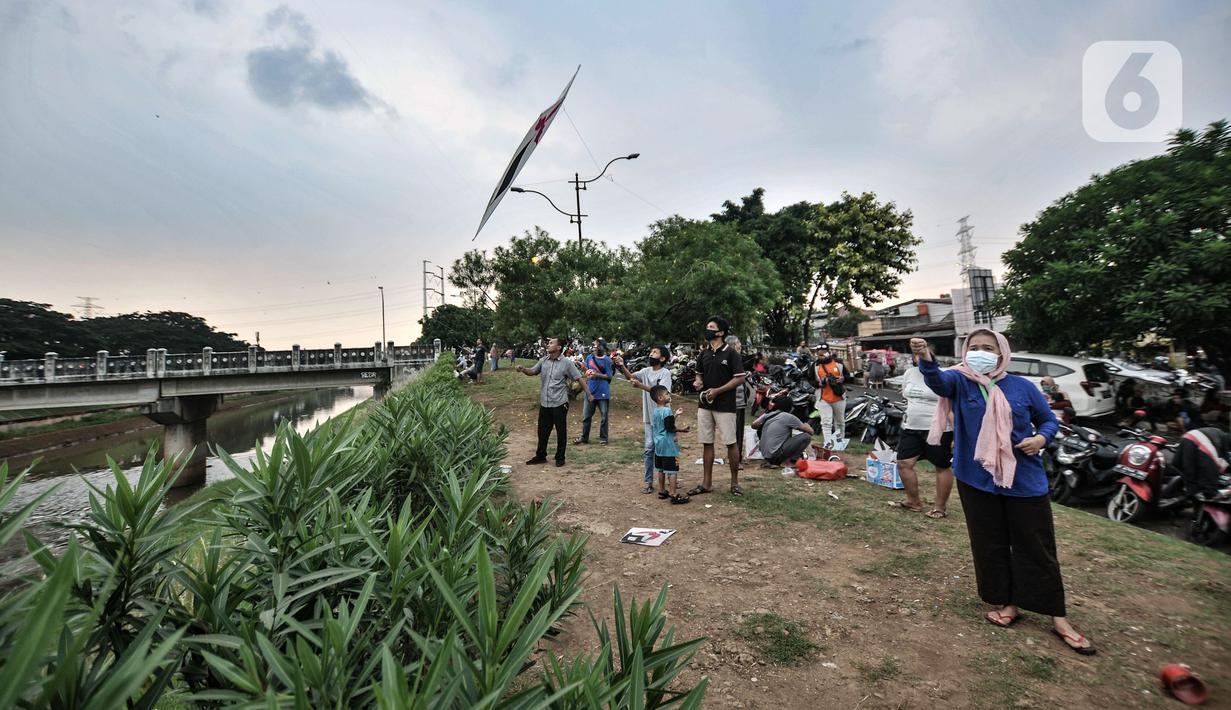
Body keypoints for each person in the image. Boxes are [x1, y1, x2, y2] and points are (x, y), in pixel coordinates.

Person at [911, 331, 1095, 656]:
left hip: (1023, 481)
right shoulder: (960, 382)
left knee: (1037, 548)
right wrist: (925, 356)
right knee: (991, 545)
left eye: (988, 349)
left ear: (1002, 353)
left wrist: (1040, 440)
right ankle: (1009, 604)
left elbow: (1048, 421)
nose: (980, 353)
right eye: (974, 348)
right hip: (976, 481)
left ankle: (1058, 617)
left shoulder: (1023, 387)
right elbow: (937, 382)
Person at [689, 316, 746, 497]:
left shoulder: (731, 354)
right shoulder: (703, 353)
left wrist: (718, 391)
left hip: (725, 406)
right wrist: (698, 383)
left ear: (721, 332)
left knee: (731, 443)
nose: (708, 330)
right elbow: (699, 374)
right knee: (707, 443)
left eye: (711, 327)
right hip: (704, 405)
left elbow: (739, 378)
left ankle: (735, 483)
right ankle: (707, 483)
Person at [893, 354, 955, 519]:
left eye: (924, 354)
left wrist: (956, 434)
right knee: (904, 463)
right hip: (911, 426)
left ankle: (940, 507)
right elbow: (906, 397)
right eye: (917, 355)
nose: (920, 358)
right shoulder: (909, 373)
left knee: (941, 466)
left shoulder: (944, 375)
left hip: (938, 429)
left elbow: (950, 407)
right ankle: (913, 501)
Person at [613, 345, 673, 494]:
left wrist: (640, 385)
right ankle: (648, 482)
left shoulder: (666, 373)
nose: (651, 354)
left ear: (663, 358)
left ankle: (671, 479)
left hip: (663, 418)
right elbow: (631, 377)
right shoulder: (645, 371)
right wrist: (622, 366)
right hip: (649, 418)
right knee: (649, 449)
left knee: (665, 450)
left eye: (655, 352)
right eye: (651, 351)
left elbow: (661, 394)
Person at [516, 337, 582, 468]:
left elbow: (578, 378)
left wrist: (589, 394)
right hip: (545, 403)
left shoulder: (567, 363)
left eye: (551, 343)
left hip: (560, 402)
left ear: (558, 347)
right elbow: (533, 371)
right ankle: (541, 456)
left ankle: (560, 457)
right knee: (542, 431)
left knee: (561, 431)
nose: (548, 344)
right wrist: (523, 369)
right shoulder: (543, 360)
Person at [649, 385, 690, 504]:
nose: (669, 395)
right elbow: (670, 428)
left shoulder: (656, 410)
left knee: (661, 469)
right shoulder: (667, 410)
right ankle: (673, 494)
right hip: (668, 445)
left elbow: (665, 424)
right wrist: (683, 430)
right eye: (667, 394)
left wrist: (676, 415)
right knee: (672, 470)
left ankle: (662, 491)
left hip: (659, 445)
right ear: (660, 397)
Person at [751, 393, 815, 465]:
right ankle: (792, 461)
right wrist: (806, 424)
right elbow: (811, 432)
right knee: (806, 437)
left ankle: (783, 459)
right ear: (790, 407)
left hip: (765, 455)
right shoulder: (788, 417)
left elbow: (753, 425)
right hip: (775, 455)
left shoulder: (769, 415)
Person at [576, 338, 614, 445]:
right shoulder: (589, 357)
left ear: (602, 347)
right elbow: (588, 372)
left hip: (603, 392)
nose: (595, 346)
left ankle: (603, 438)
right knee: (586, 416)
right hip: (590, 390)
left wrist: (596, 374)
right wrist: (583, 368)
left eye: (597, 344)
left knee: (604, 417)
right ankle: (584, 438)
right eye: (595, 344)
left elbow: (609, 376)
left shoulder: (607, 360)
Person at [1175, 426, 1230, 500]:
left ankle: (1189, 493)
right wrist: (1210, 491)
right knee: (1209, 467)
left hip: (1188, 436)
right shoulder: (1221, 444)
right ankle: (1205, 494)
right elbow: (1210, 468)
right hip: (1204, 438)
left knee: (1186, 468)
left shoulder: (1222, 436)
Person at [813, 346, 851, 445]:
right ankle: (828, 444)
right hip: (823, 398)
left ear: (828, 352)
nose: (822, 356)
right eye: (819, 354)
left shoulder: (838, 363)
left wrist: (843, 379)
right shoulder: (815, 365)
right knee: (826, 423)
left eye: (824, 353)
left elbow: (849, 377)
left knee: (840, 422)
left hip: (839, 398)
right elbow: (810, 379)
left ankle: (839, 443)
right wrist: (818, 384)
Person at [726, 335, 753, 469]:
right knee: (734, 432)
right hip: (733, 401)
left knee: (739, 431)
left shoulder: (736, 360)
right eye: (738, 344)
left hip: (740, 401)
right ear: (732, 346)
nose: (740, 346)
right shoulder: (729, 360)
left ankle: (738, 458)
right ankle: (734, 460)